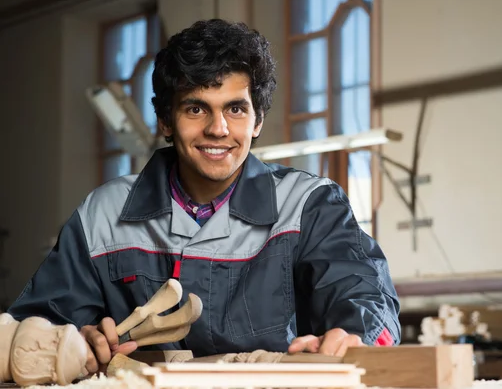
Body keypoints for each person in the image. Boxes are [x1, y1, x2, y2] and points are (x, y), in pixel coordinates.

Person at [7, 19, 401, 374]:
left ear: (258, 120)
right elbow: (31, 332)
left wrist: (356, 336)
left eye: (235, 109)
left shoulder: (310, 205)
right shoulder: (102, 215)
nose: (218, 128)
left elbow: (364, 295)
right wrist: (79, 340)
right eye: (196, 108)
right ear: (165, 120)